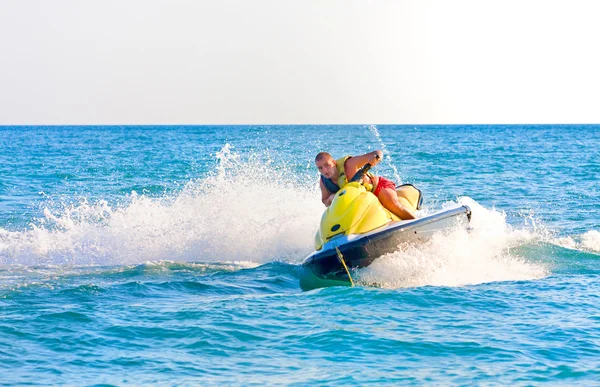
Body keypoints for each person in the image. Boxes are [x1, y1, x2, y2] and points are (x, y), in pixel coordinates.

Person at [315, 150, 416, 220]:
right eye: (320, 168)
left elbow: (378, 152)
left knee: (392, 204)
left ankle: (416, 223)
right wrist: (331, 198)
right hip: (361, 202)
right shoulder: (324, 182)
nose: (325, 171)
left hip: (377, 188)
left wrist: (375, 157)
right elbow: (325, 201)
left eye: (327, 165)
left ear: (334, 162)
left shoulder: (349, 164)